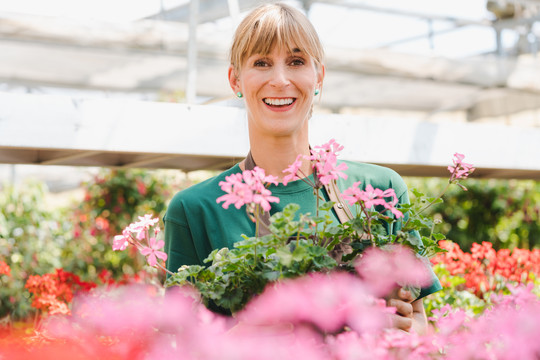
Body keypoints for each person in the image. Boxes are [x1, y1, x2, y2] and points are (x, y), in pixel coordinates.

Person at [164, 2, 441, 334]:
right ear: (235, 80)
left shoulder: (380, 190)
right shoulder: (194, 210)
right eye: (261, 63)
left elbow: (419, 324)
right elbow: (183, 347)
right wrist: (296, 323)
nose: (280, 80)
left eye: (296, 62)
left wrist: (391, 331)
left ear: (319, 76)